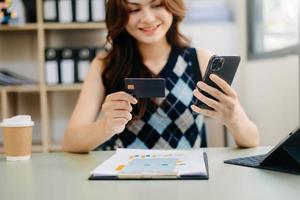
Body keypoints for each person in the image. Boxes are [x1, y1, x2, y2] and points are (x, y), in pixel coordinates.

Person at [63, 0, 259, 153]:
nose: (147, 18)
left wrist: (233, 118)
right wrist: (107, 125)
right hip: (125, 181)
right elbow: (71, 142)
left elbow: (252, 139)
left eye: (156, 5)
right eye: (133, 9)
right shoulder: (104, 65)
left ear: (172, 7)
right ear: (120, 16)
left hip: (187, 181)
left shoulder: (199, 59)